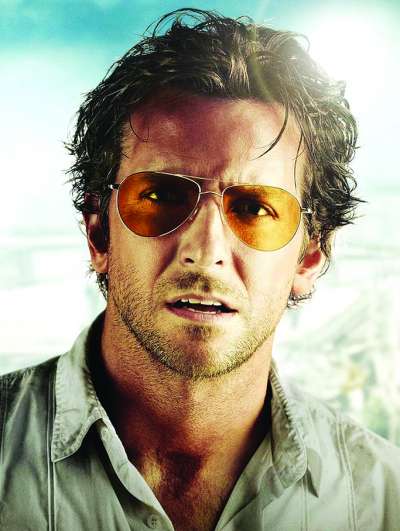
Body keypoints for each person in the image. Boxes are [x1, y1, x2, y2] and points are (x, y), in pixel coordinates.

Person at [1, 8, 399, 531]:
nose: (205, 249)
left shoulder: (383, 501)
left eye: (254, 207)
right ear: (99, 233)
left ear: (309, 255)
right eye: (161, 196)